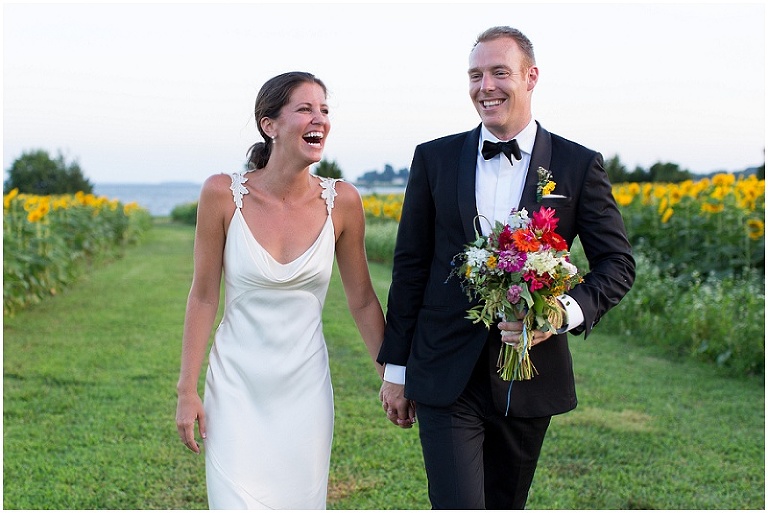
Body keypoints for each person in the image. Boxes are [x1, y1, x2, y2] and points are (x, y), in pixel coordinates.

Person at [377, 26, 635, 509]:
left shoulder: (578, 166)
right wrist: (396, 367)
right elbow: (410, 267)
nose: (485, 87)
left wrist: (559, 312)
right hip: (443, 368)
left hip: (529, 375)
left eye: (499, 72)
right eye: (475, 75)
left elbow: (617, 264)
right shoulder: (433, 158)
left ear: (531, 76)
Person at [175, 71, 385, 509]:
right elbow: (203, 296)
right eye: (305, 108)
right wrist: (187, 390)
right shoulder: (222, 194)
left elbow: (363, 299)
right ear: (269, 124)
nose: (320, 119)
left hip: (305, 391)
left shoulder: (342, 201)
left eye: (324, 110)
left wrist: (392, 375)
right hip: (234, 388)